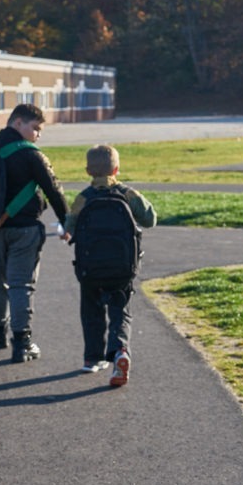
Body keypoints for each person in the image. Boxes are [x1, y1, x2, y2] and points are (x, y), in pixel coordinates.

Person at [0, 103, 69, 363]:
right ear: (18, 123)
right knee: (20, 285)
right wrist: (67, 223)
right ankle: (22, 342)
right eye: (36, 128)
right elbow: (54, 190)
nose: (38, 134)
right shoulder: (31, 155)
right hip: (25, 229)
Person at [62, 143, 157, 387]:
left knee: (91, 310)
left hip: (90, 268)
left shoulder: (84, 198)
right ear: (116, 169)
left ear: (87, 171)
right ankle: (119, 352)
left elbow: (69, 226)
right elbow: (150, 219)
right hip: (122, 268)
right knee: (120, 309)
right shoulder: (127, 194)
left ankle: (92, 358)